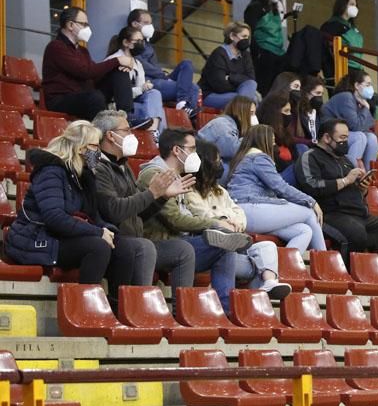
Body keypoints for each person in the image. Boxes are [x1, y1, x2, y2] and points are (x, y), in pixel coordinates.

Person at [3, 121, 147, 312]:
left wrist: (109, 231)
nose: (99, 153)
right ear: (80, 148)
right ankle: (85, 310)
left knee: (125, 247)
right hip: (36, 238)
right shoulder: (51, 171)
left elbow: (94, 217)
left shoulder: (84, 176)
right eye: (95, 146)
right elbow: (54, 218)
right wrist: (98, 232)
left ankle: (116, 310)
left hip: (63, 236)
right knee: (98, 247)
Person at [91, 111, 198, 306]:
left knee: (183, 249)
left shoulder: (123, 166)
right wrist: (152, 193)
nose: (131, 135)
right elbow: (113, 211)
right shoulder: (98, 167)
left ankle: (183, 314)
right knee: (144, 246)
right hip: (113, 241)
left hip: (136, 239)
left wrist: (162, 197)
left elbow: (139, 212)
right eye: (126, 130)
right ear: (110, 135)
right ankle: (139, 310)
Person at [138, 129, 249, 314]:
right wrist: (214, 223)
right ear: (177, 150)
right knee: (205, 243)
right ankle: (182, 313)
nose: (196, 155)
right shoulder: (155, 175)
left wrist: (218, 223)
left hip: (181, 241)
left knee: (224, 245)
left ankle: (226, 312)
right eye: (192, 149)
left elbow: (190, 214)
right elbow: (174, 219)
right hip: (159, 244)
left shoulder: (179, 176)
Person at [187, 141, 291, 300]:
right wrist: (224, 220)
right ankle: (256, 303)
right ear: (206, 162)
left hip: (235, 241)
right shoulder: (188, 190)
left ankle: (268, 284)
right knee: (256, 267)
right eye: (217, 160)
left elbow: (239, 212)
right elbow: (200, 213)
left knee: (267, 246)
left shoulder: (220, 191)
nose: (220, 164)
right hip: (210, 247)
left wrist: (233, 222)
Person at [295, 119, 378, 258]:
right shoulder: (310, 157)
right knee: (356, 232)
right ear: (326, 138)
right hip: (330, 215)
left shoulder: (345, 160)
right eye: (342, 138)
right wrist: (345, 180)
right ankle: (349, 274)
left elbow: (352, 188)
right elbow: (311, 186)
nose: (346, 142)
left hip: (359, 215)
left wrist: (362, 189)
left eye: (347, 138)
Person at [226, 125, 326, 256]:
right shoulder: (258, 157)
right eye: (272, 141)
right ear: (264, 141)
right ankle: (326, 260)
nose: (274, 145)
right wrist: (311, 201)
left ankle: (279, 270)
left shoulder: (245, 157)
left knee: (304, 230)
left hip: (245, 213)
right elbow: (281, 187)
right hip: (250, 210)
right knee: (308, 212)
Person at [42, 6, 134, 120]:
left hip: (83, 96)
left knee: (118, 72)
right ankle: (102, 133)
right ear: (70, 25)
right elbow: (86, 72)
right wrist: (117, 60)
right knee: (95, 97)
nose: (87, 28)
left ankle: (127, 117)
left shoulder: (82, 50)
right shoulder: (56, 47)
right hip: (61, 99)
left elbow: (93, 75)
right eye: (84, 24)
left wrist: (118, 66)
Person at [127, 8, 199, 114]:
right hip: (149, 82)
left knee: (187, 63)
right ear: (134, 24)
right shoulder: (131, 42)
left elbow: (154, 66)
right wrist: (163, 75)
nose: (150, 26)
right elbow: (142, 65)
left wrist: (164, 75)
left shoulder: (147, 44)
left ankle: (183, 104)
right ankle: (183, 106)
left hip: (160, 78)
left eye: (150, 23)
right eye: (146, 23)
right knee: (193, 88)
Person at [104, 26, 166, 135]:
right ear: (126, 43)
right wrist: (141, 89)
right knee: (153, 111)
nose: (141, 44)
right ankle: (154, 136)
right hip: (118, 105)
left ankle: (153, 133)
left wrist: (144, 87)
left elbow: (140, 89)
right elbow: (119, 93)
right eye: (138, 41)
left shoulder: (138, 63)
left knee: (155, 94)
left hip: (135, 101)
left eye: (142, 41)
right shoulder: (114, 60)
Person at [321, 70, 378, 170]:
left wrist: (365, 107)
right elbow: (356, 126)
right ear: (357, 85)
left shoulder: (360, 101)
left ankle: (368, 176)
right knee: (359, 137)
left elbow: (368, 125)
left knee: (372, 138)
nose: (371, 88)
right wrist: (366, 108)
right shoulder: (346, 97)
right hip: (328, 133)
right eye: (367, 84)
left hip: (342, 133)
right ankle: (349, 171)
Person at [243, 0, 289, 94]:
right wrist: (257, 52)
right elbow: (250, 31)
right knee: (264, 86)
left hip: (279, 52)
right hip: (264, 52)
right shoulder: (255, 7)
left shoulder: (274, 10)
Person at [199, 21, 258, 110]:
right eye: (244, 36)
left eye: (248, 37)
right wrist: (240, 87)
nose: (247, 40)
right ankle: (244, 120)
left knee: (251, 86)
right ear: (232, 36)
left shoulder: (246, 55)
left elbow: (250, 79)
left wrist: (230, 77)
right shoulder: (219, 54)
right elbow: (220, 85)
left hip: (236, 93)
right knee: (248, 99)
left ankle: (242, 116)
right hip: (211, 95)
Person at [196, 95, 257, 170]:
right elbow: (232, 151)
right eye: (251, 113)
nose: (254, 117)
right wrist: (253, 135)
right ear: (241, 113)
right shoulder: (222, 123)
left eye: (254, 113)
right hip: (201, 165)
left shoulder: (233, 125)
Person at [256, 90, 299, 174]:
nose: (289, 115)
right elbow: (276, 165)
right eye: (286, 111)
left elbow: (295, 157)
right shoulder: (264, 134)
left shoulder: (286, 134)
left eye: (290, 111)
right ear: (274, 114)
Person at [321, 0, 364, 72]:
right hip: (342, 68)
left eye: (356, 5)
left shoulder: (353, 28)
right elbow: (327, 48)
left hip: (358, 67)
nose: (354, 7)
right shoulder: (332, 24)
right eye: (351, 4)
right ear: (342, 5)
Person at [291, 74, 325, 147]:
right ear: (306, 93)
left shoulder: (319, 112)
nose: (320, 97)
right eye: (317, 93)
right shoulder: (296, 111)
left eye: (322, 94)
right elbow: (292, 137)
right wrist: (310, 142)